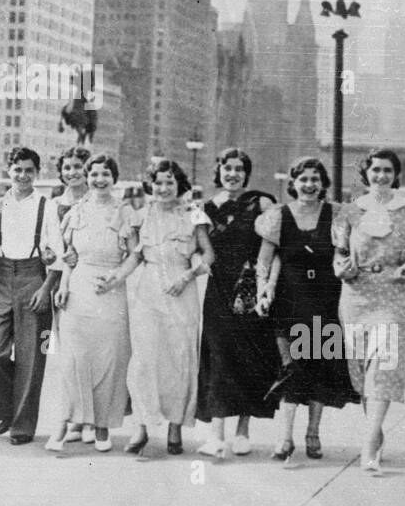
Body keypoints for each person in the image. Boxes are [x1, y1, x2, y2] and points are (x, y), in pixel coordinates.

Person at [332, 148, 405, 476]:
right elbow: (339, 253)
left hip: (393, 296)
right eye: (376, 170)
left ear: (396, 174)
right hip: (356, 297)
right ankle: (375, 428)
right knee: (361, 370)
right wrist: (341, 268)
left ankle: (369, 443)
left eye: (388, 171)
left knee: (384, 368)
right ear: (366, 173)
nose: (381, 176)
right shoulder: (349, 211)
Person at [256, 157, 358, 464]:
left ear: (323, 183)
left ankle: (313, 433)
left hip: (325, 302)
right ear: (294, 183)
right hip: (289, 303)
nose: (309, 185)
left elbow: (345, 252)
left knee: (319, 368)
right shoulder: (278, 217)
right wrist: (264, 289)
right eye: (303, 179)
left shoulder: (336, 215)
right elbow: (264, 260)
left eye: (315, 179)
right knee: (292, 366)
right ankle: (285, 437)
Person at [45, 154, 139, 452]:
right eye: (94, 174)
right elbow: (69, 255)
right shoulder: (76, 210)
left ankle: (101, 428)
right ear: (87, 177)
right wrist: (62, 285)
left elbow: (135, 254)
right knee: (73, 359)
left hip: (111, 290)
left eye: (106, 174)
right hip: (79, 288)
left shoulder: (124, 212)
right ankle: (64, 424)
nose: (99, 180)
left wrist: (117, 276)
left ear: (114, 178)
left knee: (110, 360)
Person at [120, 158, 214, 456]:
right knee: (145, 360)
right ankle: (142, 427)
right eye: (158, 183)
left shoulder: (194, 213)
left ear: (180, 185)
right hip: (148, 291)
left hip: (181, 291)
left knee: (179, 359)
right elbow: (135, 256)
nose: (163, 188)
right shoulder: (141, 215)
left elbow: (208, 255)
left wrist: (188, 276)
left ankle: (175, 427)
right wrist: (114, 277)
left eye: (169, 182)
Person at [195, 148, 277, 458]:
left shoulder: (262, 203)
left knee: (249, 359)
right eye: (227, 168)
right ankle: (215, 433)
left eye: (239, 168)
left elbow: (274, 245)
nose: (233, 173)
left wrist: (265, 283)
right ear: (218, 171)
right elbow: (194, 248)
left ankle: (243, 429)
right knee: (218, 358)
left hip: (249, 290)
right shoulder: (202, 208)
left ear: (246, 173)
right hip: (217, 291)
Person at [0, 147, 61, 445]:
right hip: (1, 278)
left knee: (33, 356)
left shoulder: (47, 206)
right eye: (18, 170)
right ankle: (4, 411)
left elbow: (57, 254)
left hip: (34, 277)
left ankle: (23, 425)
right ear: (8, 171)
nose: (23, 176)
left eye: (29, 170)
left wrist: (46, 288)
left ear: (37, 173)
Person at [50, 146, 94, 443]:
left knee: (93, 351)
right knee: (68, 355)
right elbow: (49, 244)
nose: (72, 172)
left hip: (91, 281)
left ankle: (90, 419)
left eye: (78, 167)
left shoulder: (97, 200)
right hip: (60, 280)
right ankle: (74, 416)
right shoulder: (53, 204)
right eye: (67, 168)